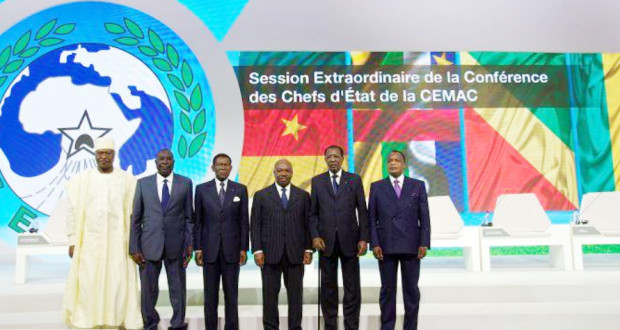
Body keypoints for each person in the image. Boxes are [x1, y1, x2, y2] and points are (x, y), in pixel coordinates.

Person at [61, 137, 142, 329]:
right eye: (100, 153)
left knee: (118, 283)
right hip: (90, 243)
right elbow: (72, 211)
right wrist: (73, 240)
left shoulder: (127, 180)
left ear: (114, 155)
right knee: (89, 281)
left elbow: (135, 215)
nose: (104, 157)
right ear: (95, 155)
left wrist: (135, 244)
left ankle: (117, 319)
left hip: (118, 243)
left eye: (108, 153)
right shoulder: (81, 181)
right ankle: (89, 319)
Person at [130, 149, 194, 330]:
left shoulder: (185, 183)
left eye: (168, 159)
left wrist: (189, 244)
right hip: (149, 246)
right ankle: (150, 323)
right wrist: (134, 248)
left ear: (174, 161)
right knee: (148, 291)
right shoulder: (143, 184)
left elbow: (190, 218)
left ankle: (178, 323)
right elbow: (136, 218)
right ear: (156, 162)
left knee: (178, 289)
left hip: (177, 246)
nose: (165, 162)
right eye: (161, 159)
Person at [368, 150, 431, 330]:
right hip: (385, 246)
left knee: (411, 291)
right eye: (390, 161)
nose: (393, 163)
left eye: (397, 160)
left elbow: (424, 217)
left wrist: (423, 242)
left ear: (404, 165)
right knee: (387, 291)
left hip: (411, 245)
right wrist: (375, 243)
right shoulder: (377, 187)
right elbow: (371, 217)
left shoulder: (417, 186)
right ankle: (387, 327)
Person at [309, 145, 368, 330]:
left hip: (350, 241)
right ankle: (330, 325)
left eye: (336, 156)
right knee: (328, 289)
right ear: (325, 159)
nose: (333, 159)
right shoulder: (317, 181)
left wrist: (364, 238)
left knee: (352, 288)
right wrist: (315, 236)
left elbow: (363, 211)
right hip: (326, 243)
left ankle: (351, 326)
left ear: (343, 159)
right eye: (329, 157)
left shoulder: (354, 180)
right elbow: (313, 214)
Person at [250, 159, 313, 330]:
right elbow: (255, 225)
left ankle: (295, 327)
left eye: (286, 170)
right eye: (280, 170)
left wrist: (308, 249)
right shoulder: (261, 195)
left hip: (295, 254)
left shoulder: (303, 196)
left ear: (292, 173)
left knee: (295, 297)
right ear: (274, 172)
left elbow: (308, 224)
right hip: (270, 255)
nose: (283, 173)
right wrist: (257, 250)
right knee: (269, 296)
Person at [194, 153, 249, 330]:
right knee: (210, 296)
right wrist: (198, 248)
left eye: (226, 165)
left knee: (231, 296)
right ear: (213, 167)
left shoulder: (240, 189)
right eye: (219, 165)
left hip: (232, 251)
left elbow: (243, 222)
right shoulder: (201, 189)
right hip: (209, 251)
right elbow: (198, 222)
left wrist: (243, 248)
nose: (223, 167)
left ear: (231, 168)